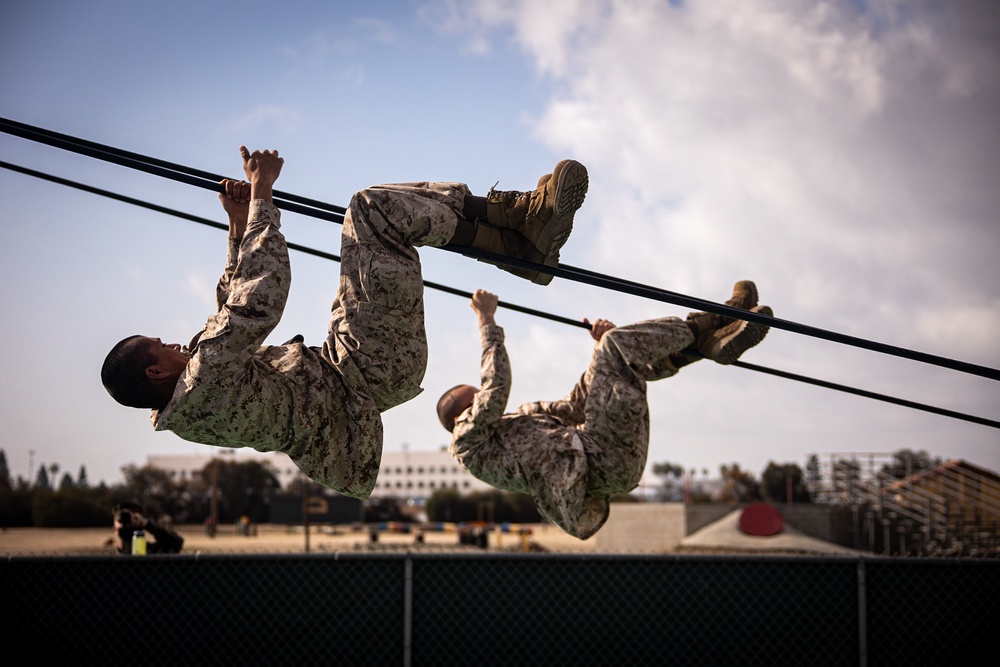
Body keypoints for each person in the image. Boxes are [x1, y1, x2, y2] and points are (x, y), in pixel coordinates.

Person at [101, 146, 589, 498]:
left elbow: (227, 308)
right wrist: (261, 193)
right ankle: (518, 228)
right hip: (365, 368)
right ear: (155, 372)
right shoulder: (202, 379)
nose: (173, 344)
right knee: (372, 211)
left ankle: (520, 236)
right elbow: (257, 298)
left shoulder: (189, 403)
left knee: (370, 209)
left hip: (346, 363)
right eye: (161, 346)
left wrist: (237, 223)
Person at [437, 284, 772, 540]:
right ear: (459, 417)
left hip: (611, 456)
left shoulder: (520, 422)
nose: (484, 402)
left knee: (618, 353)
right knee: (617, 347)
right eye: (474, 401)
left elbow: (576, 405)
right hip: (599, 459)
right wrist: (486, 320)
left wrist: (598, 350)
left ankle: (711, 342)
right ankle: (719, 319)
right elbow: (496, 386)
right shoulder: (467, 442)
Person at [108, 502, 184, 554]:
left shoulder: (150, 551)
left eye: (133, 517)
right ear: (114, 528)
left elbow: (176, 543)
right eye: (122, 519)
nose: (127, 523)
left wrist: (148, 525)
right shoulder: (110, 558)